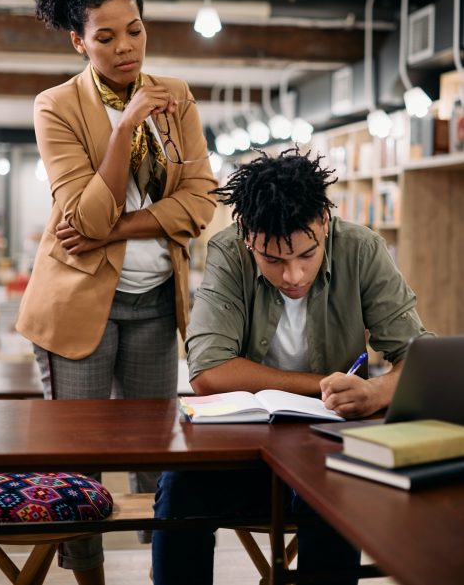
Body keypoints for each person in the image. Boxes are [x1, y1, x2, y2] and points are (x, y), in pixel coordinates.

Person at [16, 0, 217, 585]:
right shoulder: (57, 107)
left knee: (157, 459)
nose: (126, 46)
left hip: (157, 303)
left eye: (133, 29)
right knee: (76, 464)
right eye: (106, 37)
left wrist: (109, 231)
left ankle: (166, 573)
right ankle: (90, 580)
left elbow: (199, 203)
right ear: (79, 41)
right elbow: (84, 216)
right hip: (77, 311)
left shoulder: (176, 94)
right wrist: (127, 124)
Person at [152, 148, 430, 585]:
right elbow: (207, 369)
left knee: (336, 489)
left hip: (325, 443)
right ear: (247, 236)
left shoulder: (362, 249)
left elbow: (419, 358)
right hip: (241, 445)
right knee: (180, 486)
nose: (294, 275)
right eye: (273, 260)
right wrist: (322, 384)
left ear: (324, 220)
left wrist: (375, 391)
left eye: (306, 254)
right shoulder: (228, 251)